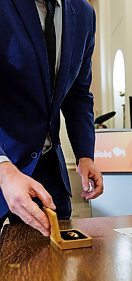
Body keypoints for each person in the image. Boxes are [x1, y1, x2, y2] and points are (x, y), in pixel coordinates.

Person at [0, 0, 103, 236]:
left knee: (51, 269)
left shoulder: (84, 14)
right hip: (3, 160)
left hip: (47, 175)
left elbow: (79, 94)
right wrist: (4, 169)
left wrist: (85, 155)